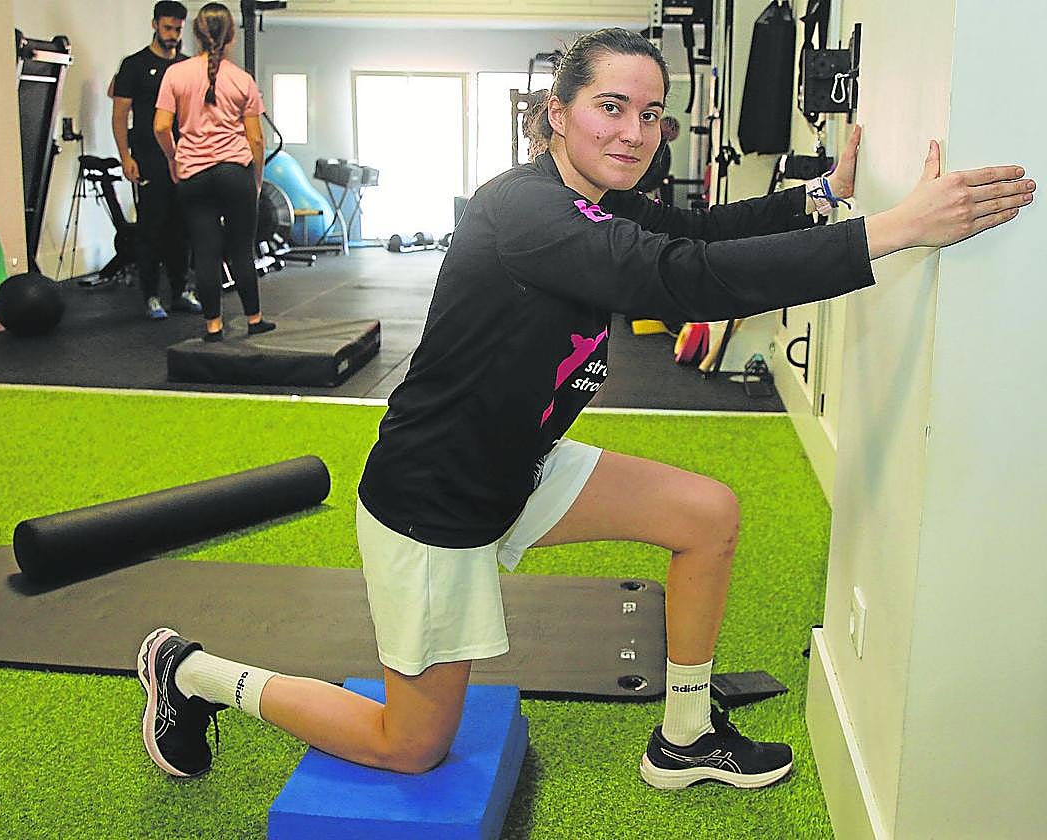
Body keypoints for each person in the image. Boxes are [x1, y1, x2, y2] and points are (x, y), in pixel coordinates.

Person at [136, 28, 1034, 788]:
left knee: (706, 515)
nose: (636, 131)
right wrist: (897, 229)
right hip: (435, 498)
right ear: (557, 112)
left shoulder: (593, 199)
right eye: (612, 107)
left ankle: (685, 736)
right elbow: (685, 277)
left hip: (519, 467)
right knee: (410, 744)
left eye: (652, 113)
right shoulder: (526, 214)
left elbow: (694, 231)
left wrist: (816, 198)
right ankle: (196, 673)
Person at [152, 2, 274, 342]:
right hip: (234, 172)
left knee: (205, 251)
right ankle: (254, 319)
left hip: (194, 174)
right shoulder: (242, 79)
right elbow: (256, 139)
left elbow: (161, 127)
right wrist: (256, 179)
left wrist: (174, 159)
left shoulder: (175, 74)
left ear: (195, 34)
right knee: (241, 249)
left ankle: (213, 327)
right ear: (231, 37)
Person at [111, 1, 202, 321]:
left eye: (177, 29)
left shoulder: (188, 66)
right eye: (167, 28)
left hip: (185, 157)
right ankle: (151, 295)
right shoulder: (134, 65)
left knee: (183, 227)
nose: (172, 35)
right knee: (152, 227)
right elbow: (120, 115)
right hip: (149, 157)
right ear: (154, 25)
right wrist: (126, 157)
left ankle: (181, 291)